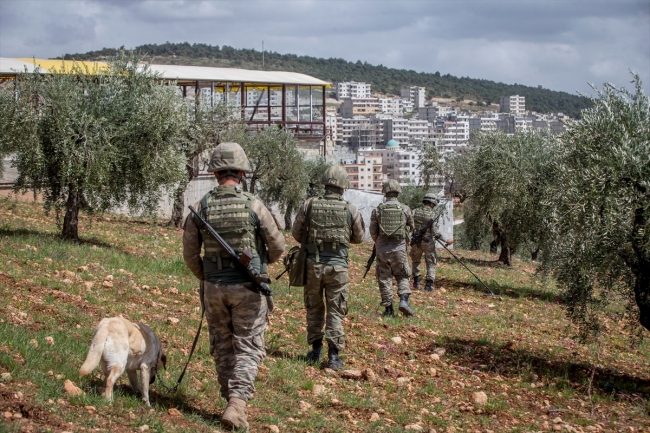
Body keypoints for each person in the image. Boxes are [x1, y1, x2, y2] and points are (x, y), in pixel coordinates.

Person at [182, 142, 285, 430]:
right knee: (249, 347)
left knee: (222, 346)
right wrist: (259, 265)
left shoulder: (201, 207)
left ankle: (229, 400)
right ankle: (237, 403)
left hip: (213, 288)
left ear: (215, 173)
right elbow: (277, 247)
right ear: (241, 172)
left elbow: (190, 253)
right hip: (247, 289)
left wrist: (207, 276)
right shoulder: (254, 205)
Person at [291, 166, 365, 370]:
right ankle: (333, 357)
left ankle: (315, 352)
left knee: (314, 307)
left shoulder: (309, 204)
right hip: (338, 267)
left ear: (325, 184)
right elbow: (359, 238)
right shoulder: (350, 208)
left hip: (313, 265)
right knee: (336, 310)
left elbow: (296, 233)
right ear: (343, 187)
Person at [370, 179, 415, 317]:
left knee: (384, 277)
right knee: (402, 275)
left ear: (385, 192)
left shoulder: (377, 210)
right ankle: (403, 300)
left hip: (382, 250)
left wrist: (379, 242)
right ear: (398, 192)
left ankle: (389, 310)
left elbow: (373, 231)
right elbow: (412, 227)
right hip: (400, 249)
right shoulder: (405, 209)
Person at [410, 193, 452, 292]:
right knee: (431, 262)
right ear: (432, 203)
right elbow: (435, 233)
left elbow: (409, 225)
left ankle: (416, 282)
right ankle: (428, 286)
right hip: (428, 243)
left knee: (415, 261)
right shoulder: (433, 215)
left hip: (415, 241)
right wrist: (446, 240)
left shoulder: (415, 211)